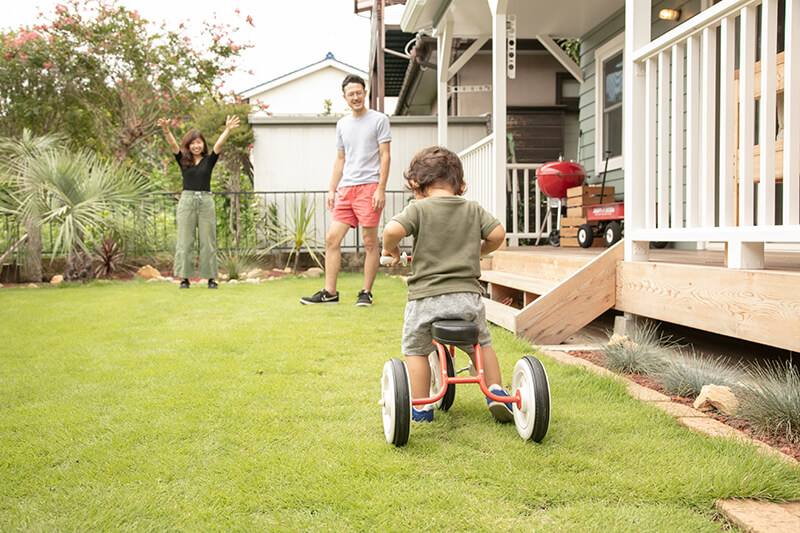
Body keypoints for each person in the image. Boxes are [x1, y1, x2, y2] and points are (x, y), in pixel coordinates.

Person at [381, 146, 512, 423]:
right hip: (467, 298)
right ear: (461, 184)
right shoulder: (473, 209)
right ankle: (496, 392)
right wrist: (479, 250)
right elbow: (498, 234)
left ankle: (420, 405)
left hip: (427, 299)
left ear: (417, 187)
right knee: (481, 344)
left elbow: (392, 230)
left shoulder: (419, 208)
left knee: (417, 348)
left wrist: (391, 251)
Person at [300, 75, 391, 307]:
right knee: (332, 239)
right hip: (346, 190)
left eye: (358, 92)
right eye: (350, 94)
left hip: (369, 188)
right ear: (345, 97)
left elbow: (385, 155)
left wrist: (381, 188)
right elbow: (340, 159)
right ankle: (330, 292)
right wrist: (332, 189)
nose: (355, 97)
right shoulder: (342, 124)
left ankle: (365, 292)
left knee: (370, 241)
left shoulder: (379, 120)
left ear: (365, 92)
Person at [157, 115, 239, 289]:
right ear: (188, 146)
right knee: (185, 240)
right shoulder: (183, 161)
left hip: (206, 201)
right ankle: (184, 279)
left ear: (203, 144)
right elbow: (172, 145)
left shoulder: (209, 161)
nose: (196, 146)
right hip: (187, 201)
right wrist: (166, 130)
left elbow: (218, 146)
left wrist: (228, 129)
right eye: (192, 143)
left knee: (208, 241)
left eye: (199, 142)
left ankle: (211, 278)